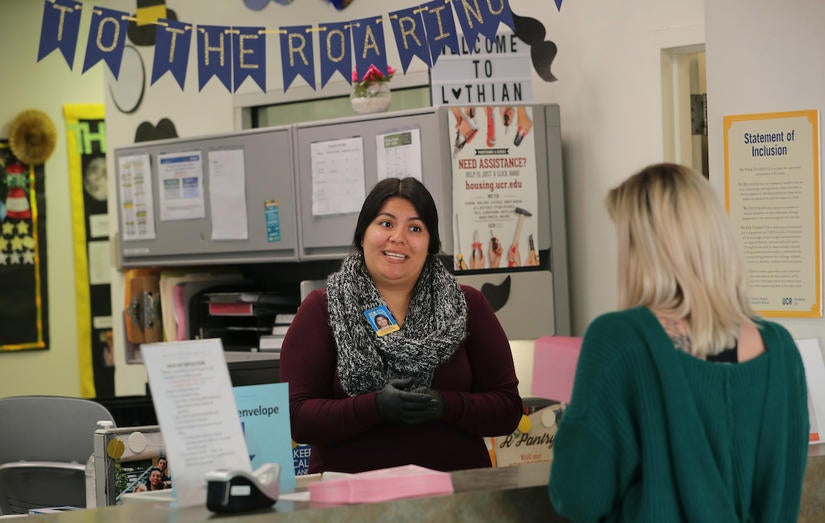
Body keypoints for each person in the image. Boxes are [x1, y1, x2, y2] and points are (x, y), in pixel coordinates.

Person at [548, 163, 809, 521]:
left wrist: (576, 422)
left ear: (643, 250)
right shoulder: (780, 350)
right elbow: (784, 497)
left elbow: (578, 494)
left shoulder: (620, 339)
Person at [280, 177, 522, 474]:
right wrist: (375, 407)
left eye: (415, 228)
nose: (398, 238)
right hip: (352, 501)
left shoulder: (468, 306)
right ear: (363, 234)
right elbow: (297, 417)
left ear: (430, 243)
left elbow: (507, 410)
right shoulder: (321, 308)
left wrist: (446, 405)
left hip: (455, 498)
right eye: (386, 224)